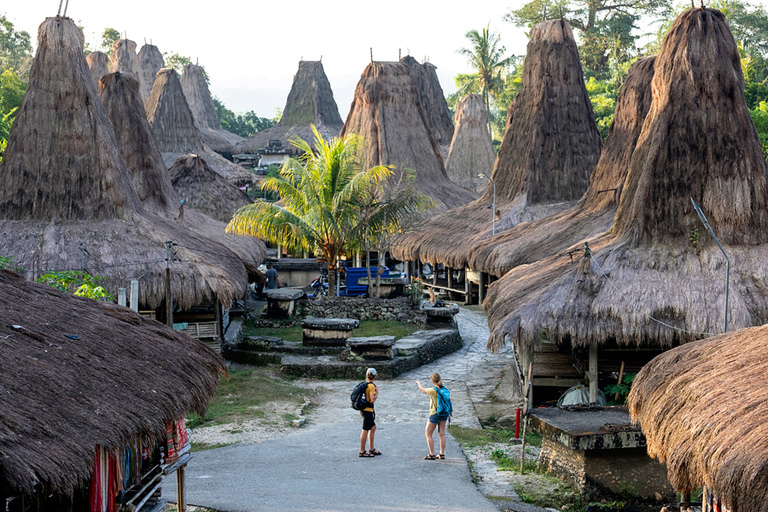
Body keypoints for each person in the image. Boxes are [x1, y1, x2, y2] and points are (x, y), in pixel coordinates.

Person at [416, 372, 448, 460]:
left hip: (435, 414)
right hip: (444, 413)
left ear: (432, 381)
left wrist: (418, 383)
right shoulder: (444, 389)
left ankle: (431, 454)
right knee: (441, 434)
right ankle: (441, 454)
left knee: (428, 433)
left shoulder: (433, 390)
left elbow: (422, 389)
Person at [359, 368, 380, 457]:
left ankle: (371, 448)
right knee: (365, 429)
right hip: (367, 410)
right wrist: (377, 392)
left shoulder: (365, 384)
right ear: (375, 376)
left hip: (364, 409)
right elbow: (372, 400)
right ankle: (362, 451)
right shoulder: (371, 386)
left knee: (373, 427)